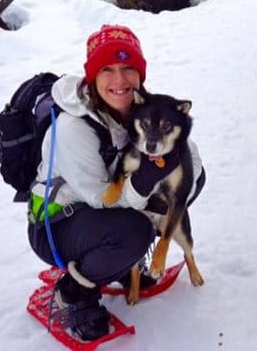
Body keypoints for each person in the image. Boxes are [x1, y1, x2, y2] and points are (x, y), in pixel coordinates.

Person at [27, 24, 205, 341]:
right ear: (93, 77)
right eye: (107, 69)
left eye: (128, 68)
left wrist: (182, 170)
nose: (119, 80)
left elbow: (186, 156)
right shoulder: (73, 128)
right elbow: (101, 199)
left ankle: (120, 266)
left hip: (100, 214)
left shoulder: (140, 109)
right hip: (57, 223)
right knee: (132, 229)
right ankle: (74, 291)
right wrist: (144, 183)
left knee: (182, 188)